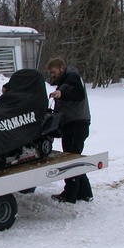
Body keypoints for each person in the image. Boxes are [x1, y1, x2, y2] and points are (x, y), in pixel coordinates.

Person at [47, 57, 93, 203]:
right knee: (75, 158)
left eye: (54, 72)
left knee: (70, 160)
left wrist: (61, 93)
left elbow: (76, 93)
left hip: (76, 125)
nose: (52, 75)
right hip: (74, 124)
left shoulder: (72, 76)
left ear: (61, 68)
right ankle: (85, 193)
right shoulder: (66, 79)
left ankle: (70, 195)